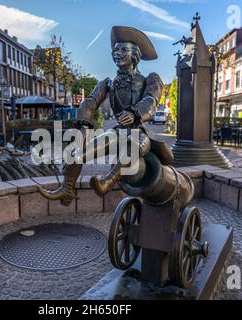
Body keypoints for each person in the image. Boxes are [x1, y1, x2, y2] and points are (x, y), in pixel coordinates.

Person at [38, 26, 172, 206]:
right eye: (115, 50)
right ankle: (67, 189)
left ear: (135, 54)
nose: (117, 53)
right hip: (117, 133)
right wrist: (84, 125)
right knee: (76, 153)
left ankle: (106, 182)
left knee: (132, 147)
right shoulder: (108, 83)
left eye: (123, 49)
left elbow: (151, 99)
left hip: (139, 134)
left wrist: (135, 113)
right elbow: (90, 102)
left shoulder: (150, 78)